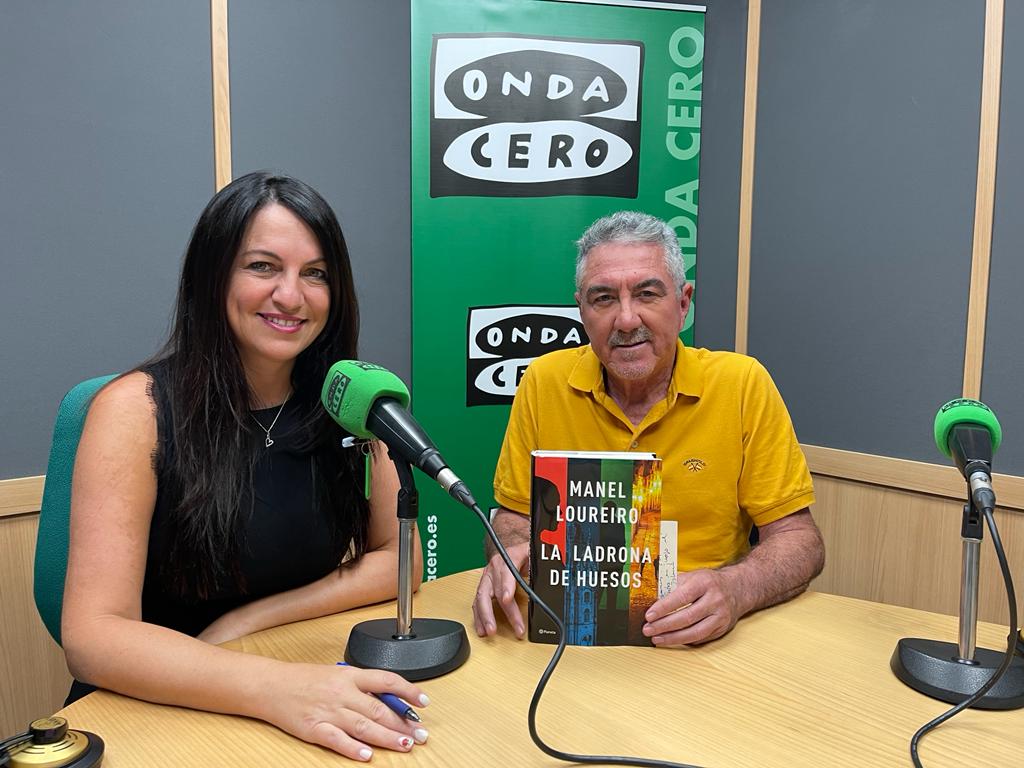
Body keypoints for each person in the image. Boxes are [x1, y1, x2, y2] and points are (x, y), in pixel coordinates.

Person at [62, 172, 428, 761]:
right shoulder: (134, 410)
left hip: (281, 677)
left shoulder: (351, 401)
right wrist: (277, 687)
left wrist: (252, 619)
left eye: (316, 274)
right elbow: (93, 637)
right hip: (149, 708)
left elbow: (398, 560)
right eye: (262, 266)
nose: (291, 295)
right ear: (213, 277)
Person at [472, 211, 825, 646]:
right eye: (603, 298)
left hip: (699, 639)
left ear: (683, 303)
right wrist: (510, 551)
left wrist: (736, 588)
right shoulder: (544, 382)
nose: (625, 320)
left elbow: (799, 540)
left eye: (646, 294)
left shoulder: (741, 384)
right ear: (581, 309)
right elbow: (513, 516)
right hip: (570, 631)